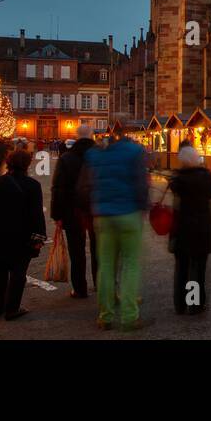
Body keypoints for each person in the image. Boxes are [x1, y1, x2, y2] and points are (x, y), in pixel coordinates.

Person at [83, 125, 150, 330]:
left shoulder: (94, 155)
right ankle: (130, 317)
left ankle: (105, 316)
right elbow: (141, 183)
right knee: (130, 265)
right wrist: (143, 207)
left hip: (102, 215)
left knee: (106, 266)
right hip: (128, 213)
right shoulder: (134, 151)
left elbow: (85, 186)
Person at [0, 149, 45, 321]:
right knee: (18, 272)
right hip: (21, 237)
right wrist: (38, 238)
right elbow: (37, 215)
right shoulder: (33, 186)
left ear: (8, 163)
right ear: (27, 165)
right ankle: (12, 308)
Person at [167, 145, 211, 314]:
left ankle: (180, 305)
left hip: (182, 228)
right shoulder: (205, 176)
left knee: (182, 268)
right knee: (197, 268)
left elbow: (175, 189)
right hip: (201, 229)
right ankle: (194, 304)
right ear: (196, 158)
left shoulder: (177, 179)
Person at [50, 124, 97, 299]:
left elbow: (58, 188)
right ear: (92, 135)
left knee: (76, 251)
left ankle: (80, 288)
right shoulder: (100, 156)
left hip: (73, 210)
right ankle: (100, 283)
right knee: (98, 248)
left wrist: (57, 215)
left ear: (76, 137)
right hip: (96, 209)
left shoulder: (67, 158)